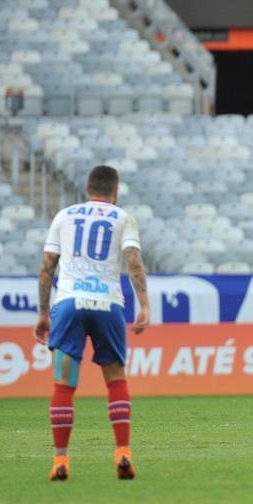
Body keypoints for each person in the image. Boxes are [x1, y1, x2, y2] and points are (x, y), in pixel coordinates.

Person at [33, 165, 151, 482]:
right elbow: (134, 262)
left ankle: (61, 460)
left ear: (87, 190)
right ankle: (123, 452)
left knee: (64, 383)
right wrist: (144, 305)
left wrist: (43, 312)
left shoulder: (64, 216)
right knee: (115, 379)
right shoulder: (123, 218)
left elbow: (47, 267)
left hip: (69, 303)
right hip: (107, 304)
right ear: (116, 191)